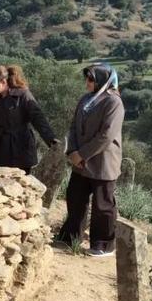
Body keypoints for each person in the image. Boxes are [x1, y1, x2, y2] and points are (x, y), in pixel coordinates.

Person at [56, 63, 124, 257]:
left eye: (91, 79)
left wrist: (82, 154)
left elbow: (106, 135)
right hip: (80, 161)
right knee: (75, 197)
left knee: (103, 205)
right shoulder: (85, 100)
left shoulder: (114, 102)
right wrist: (72, 151)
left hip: (102, 161)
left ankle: (103, 244)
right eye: (87, 78)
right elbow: (73, 127)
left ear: (103, 81)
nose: (87, 82)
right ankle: (70, 237)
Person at [0, 64, 58, 173]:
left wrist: (51, 140)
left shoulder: (23, 95)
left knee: (22, 185)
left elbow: (38, 118)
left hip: (21, 147)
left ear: (3, 82)